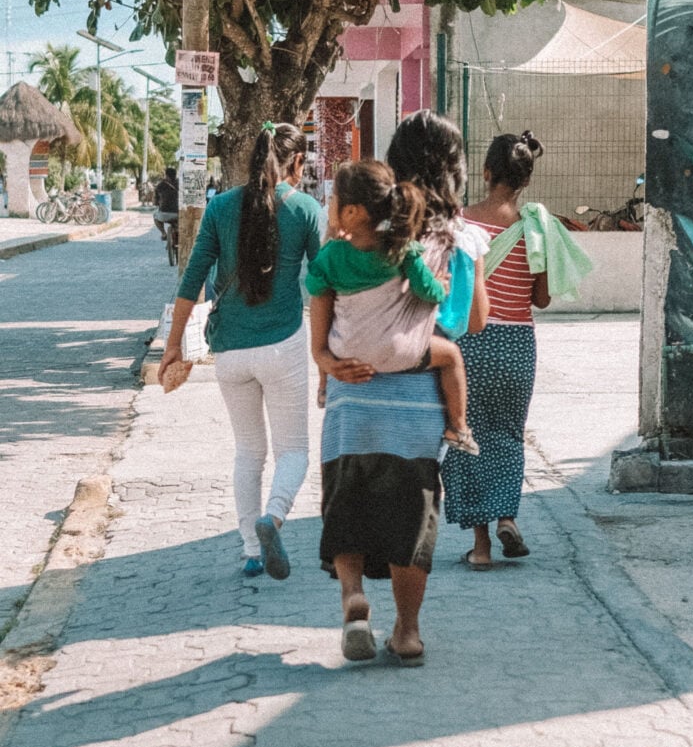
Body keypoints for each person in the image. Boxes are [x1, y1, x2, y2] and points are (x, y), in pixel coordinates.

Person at [310, 110, 488, 667]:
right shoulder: (460, 237)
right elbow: (473, 322)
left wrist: (325, 361)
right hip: (416, 400)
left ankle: (352, 598)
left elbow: (323, 298)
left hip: (349, 389)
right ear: (455, 169)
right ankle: (407, 632)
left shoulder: (348, 225)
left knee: (348, 503)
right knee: (414, 514)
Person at [157, 122, 323, 578]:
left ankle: (251, 548)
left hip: (229, 353)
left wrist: (173, 347)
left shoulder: (221, 207)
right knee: (294, 452)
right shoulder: (306, 209)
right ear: (295, 163)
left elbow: (191, 281)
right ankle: (274, 516)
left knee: (248, 452)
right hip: (283, 346)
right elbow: (326, 279)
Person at [441, 130, 592, 570]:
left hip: (468, 344)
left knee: (466, 435)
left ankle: (482, 546)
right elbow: (541, 299)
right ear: (525, 180)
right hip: (517, 346)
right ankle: (507, 515)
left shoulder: (462, 223)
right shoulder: (537, 228)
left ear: (485, 173)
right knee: (508, 434)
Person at [307, 159, 478, 455]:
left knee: (333, 325)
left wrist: (333, 238)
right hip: (402, 354)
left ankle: (324, 388)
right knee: (451, 356)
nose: (329, 204)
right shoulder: (403, 249)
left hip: (346, 357)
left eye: (333, 199)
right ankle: (459, 427)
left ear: (351, 211)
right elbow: (429, 292)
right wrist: (442, 286)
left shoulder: (331, 255)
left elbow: (316, 291)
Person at [153, 166, 179, 240]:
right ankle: (177, 228)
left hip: (164, 213)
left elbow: (155, 202)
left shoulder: (160, 185)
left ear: (166, 175)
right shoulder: (181, 183)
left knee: (155, 215)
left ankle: (163, 233)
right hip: (179, 213)